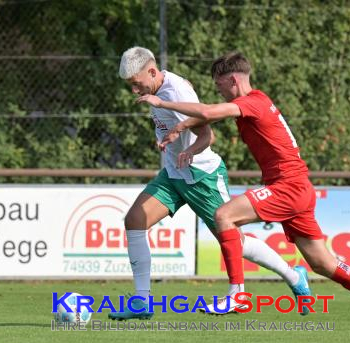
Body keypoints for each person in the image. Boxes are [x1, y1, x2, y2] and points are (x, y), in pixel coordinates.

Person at [137, 51, 350, 330]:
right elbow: (208, 117)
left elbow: (207, 112)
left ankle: (237, 294)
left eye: (219, 85)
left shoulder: (253, 101)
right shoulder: (257, 101)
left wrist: (161, 101)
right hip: (297, 187)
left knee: (224, 216)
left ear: (233, 80)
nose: (218, 90)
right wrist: (181, 125)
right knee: (323, 264)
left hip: (288, 186)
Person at [108, 47, 311, 321]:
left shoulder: (175, 91)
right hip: (174, 175)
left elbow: (208, 136)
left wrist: (190, 151)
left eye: (136, 83)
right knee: (134, 220)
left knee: (233, 240)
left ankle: (292, 274)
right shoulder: (157, 89)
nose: (134, 90)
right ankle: (141, 302)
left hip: (203, 177)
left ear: (152, 72)